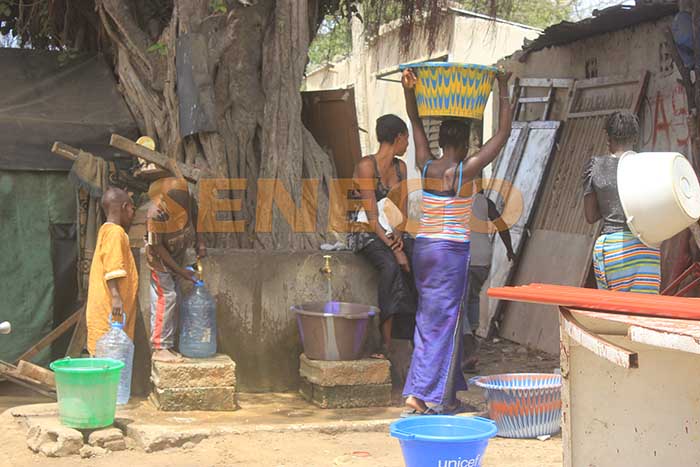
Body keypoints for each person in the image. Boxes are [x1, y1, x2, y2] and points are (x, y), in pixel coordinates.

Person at [401, 68, 514, 415]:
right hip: (450, 252)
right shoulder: (467, 169)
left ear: (441, 141)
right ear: (465, 142)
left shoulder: (426, 164)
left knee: (430, 317)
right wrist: (503, 87)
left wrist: (411, 90)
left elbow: (415, 123)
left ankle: (445, 395)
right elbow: (504, 134)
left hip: (424, 250)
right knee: (446, 322)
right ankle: (421, 394)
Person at [349, 114, 417, 361]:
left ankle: (412, 335)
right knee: (390, 266)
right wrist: (394, 248)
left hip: (392, 228)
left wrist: (399, 235)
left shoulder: (401, 168)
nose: (407, 145)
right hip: (366, 230)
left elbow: (404, 207)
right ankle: (385, 340)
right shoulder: (367, 166)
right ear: (398, 138)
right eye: (406, 139)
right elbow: (372, 217)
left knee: (416, 260)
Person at [583, 111, 661, 294]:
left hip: (611, 250)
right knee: (643, 314)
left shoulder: (595, 166)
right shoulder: (648, 166)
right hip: (645, 247)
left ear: (608, 138)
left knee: (614, 314)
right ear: (635, 138)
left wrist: (610, 200)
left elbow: (590, 216)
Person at [146, 176, 207, 362]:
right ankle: (159, 347)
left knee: (176, 299)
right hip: (160, 262)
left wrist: (200, 241)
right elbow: (157, 248)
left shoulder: (189, 202)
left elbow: (198, 220)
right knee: (167, 298)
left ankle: (168, 345)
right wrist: (180, 272)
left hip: (178, 255)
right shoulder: (155, 213)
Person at [462, 187, 514, 373]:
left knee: (459, 305)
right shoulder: (485, 202)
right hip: (483, 258)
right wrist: (510, 250)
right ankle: (472, 340)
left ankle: (468, 350)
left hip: (463, 256)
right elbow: (502, 226)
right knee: (473, 297)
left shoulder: (455, 200)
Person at [85, 187, 138, 355]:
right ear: (124, 207)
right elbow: (112, 267)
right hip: (111, 313)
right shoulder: (115, 233)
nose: (132, 213)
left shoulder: (106, 231)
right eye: (131, 208)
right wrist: (116, 297)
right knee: (109, 363)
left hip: (110, 312)